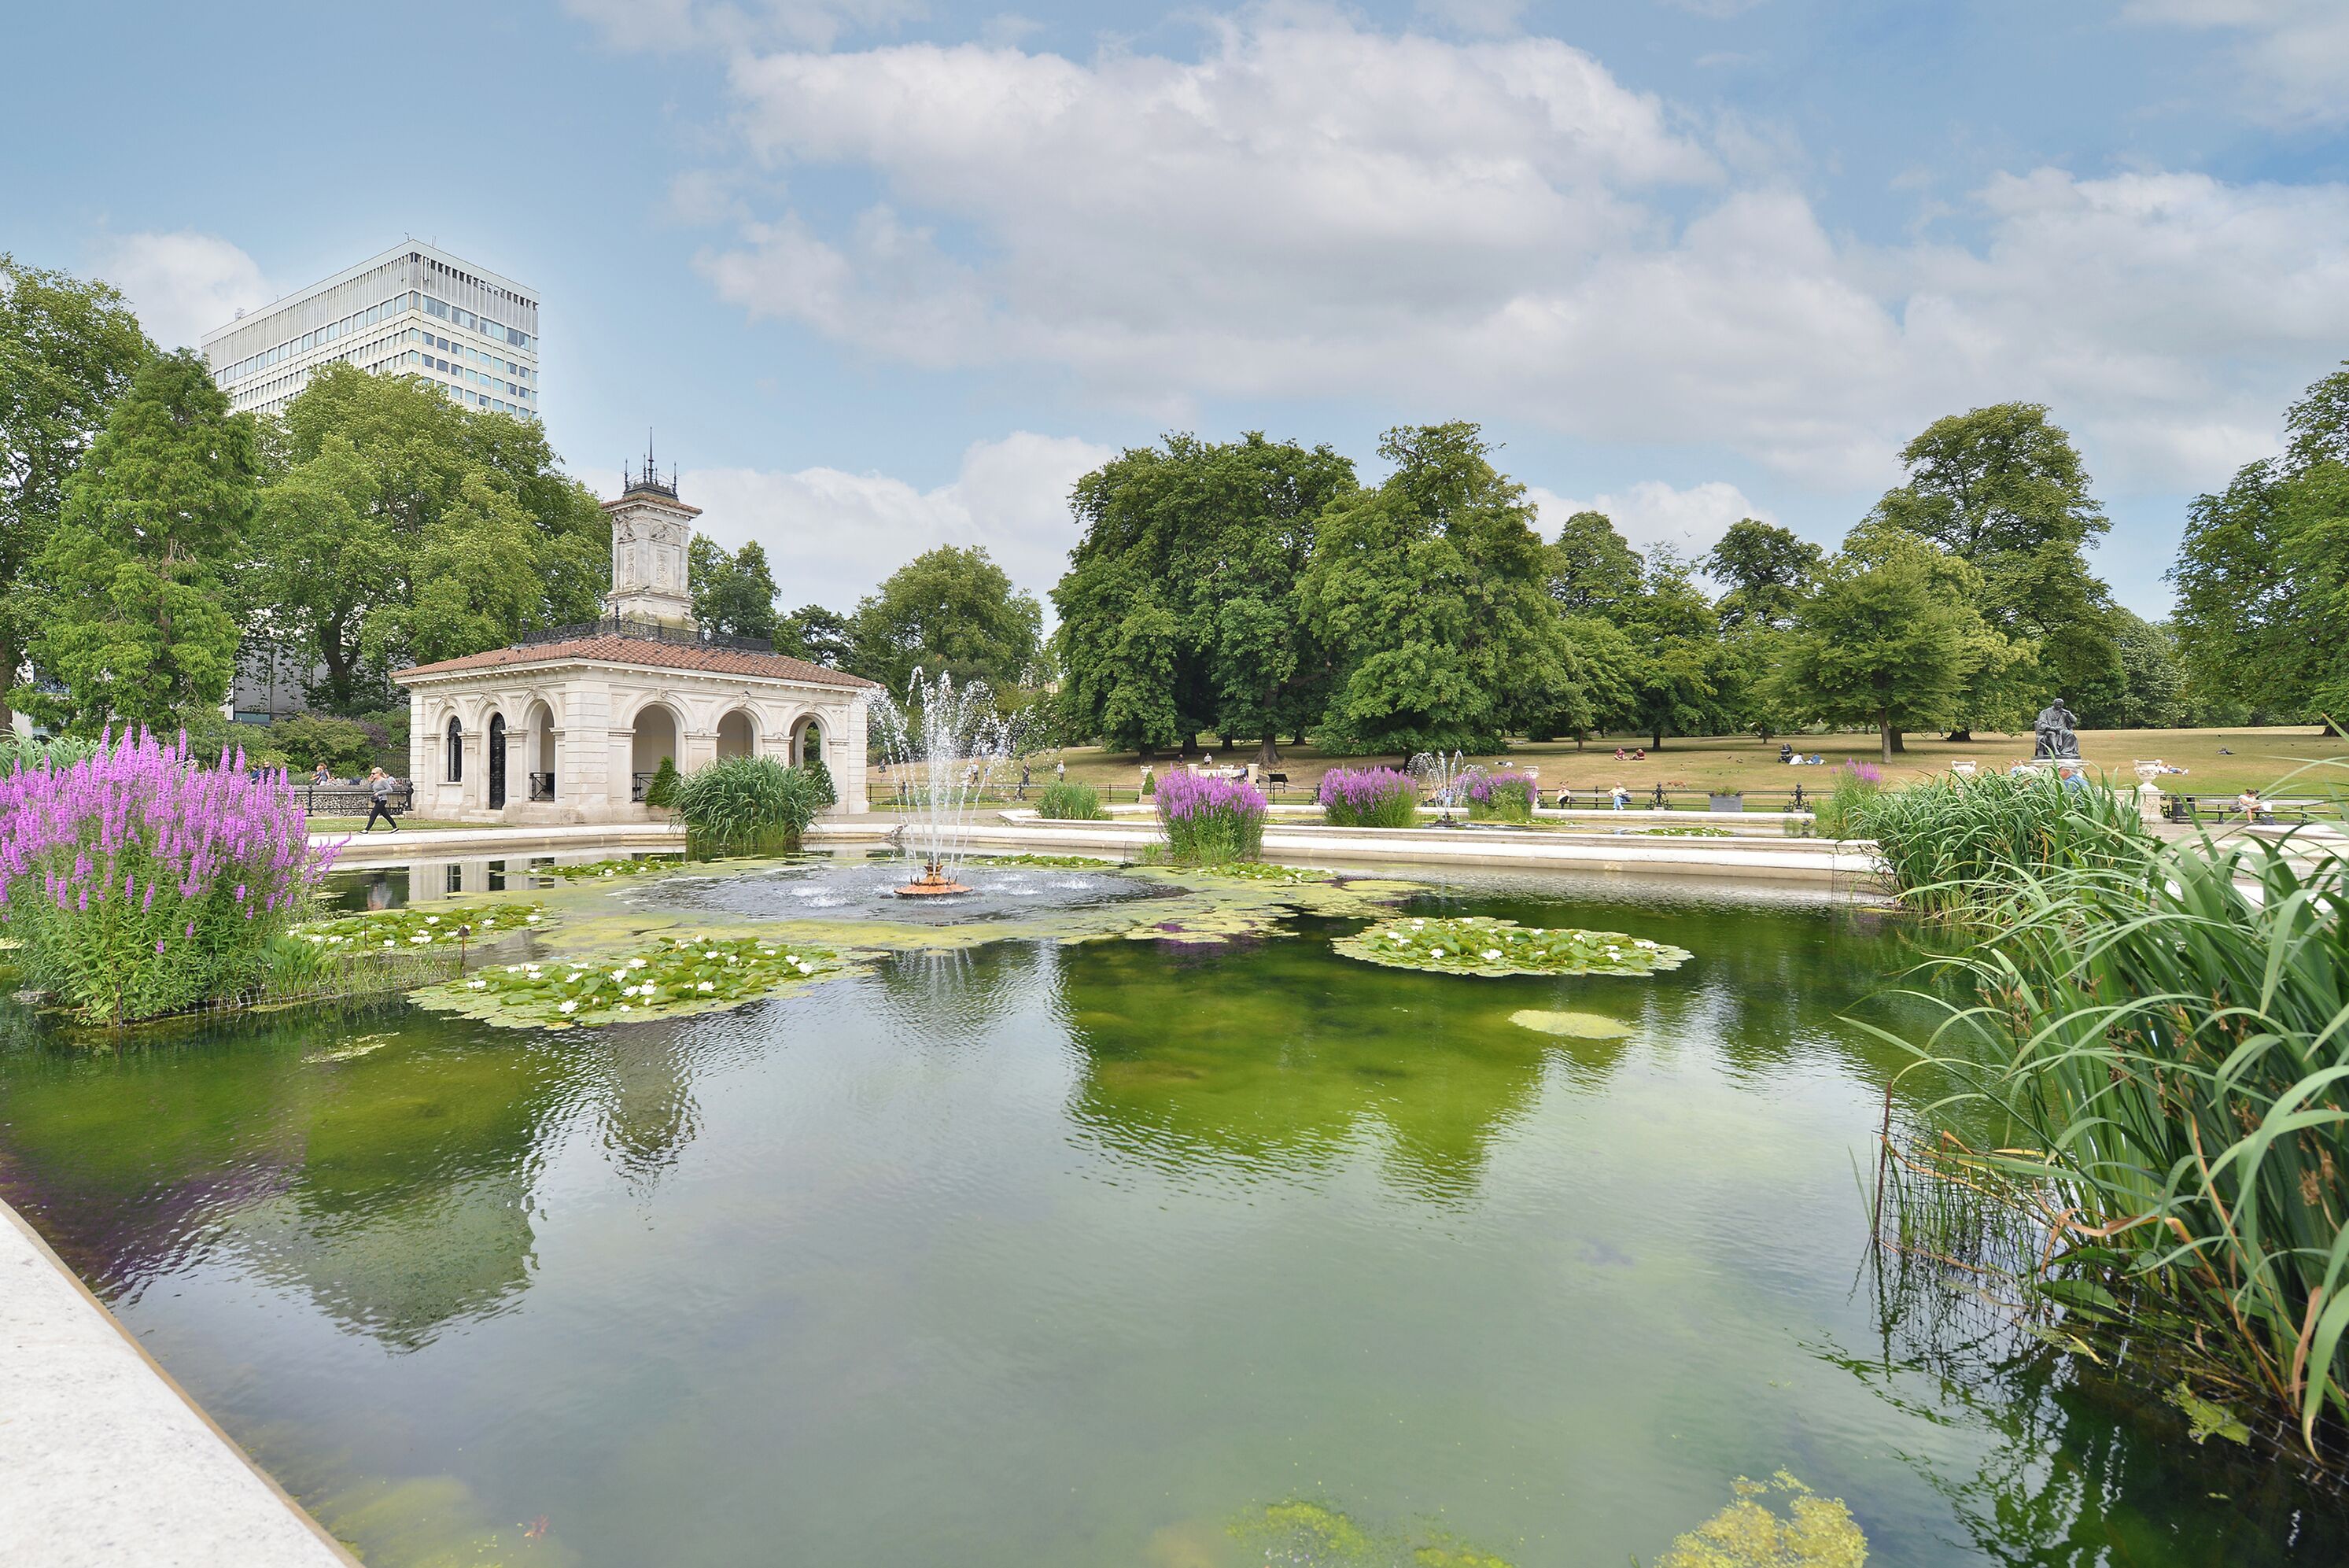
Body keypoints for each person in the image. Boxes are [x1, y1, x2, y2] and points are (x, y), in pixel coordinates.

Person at [363, 768, 400, 832]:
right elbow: (371, 788)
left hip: (382, 800)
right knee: (386, 815)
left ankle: (366, 830)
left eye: (374, 773)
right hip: (377, 800)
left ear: (379, 773)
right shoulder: (375, 781)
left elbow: (390, 790)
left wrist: (378, 793)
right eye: (371, 773)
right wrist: (370, 781)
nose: (372, 775)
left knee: (373, 815)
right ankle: (395, 827)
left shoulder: (383, 781)